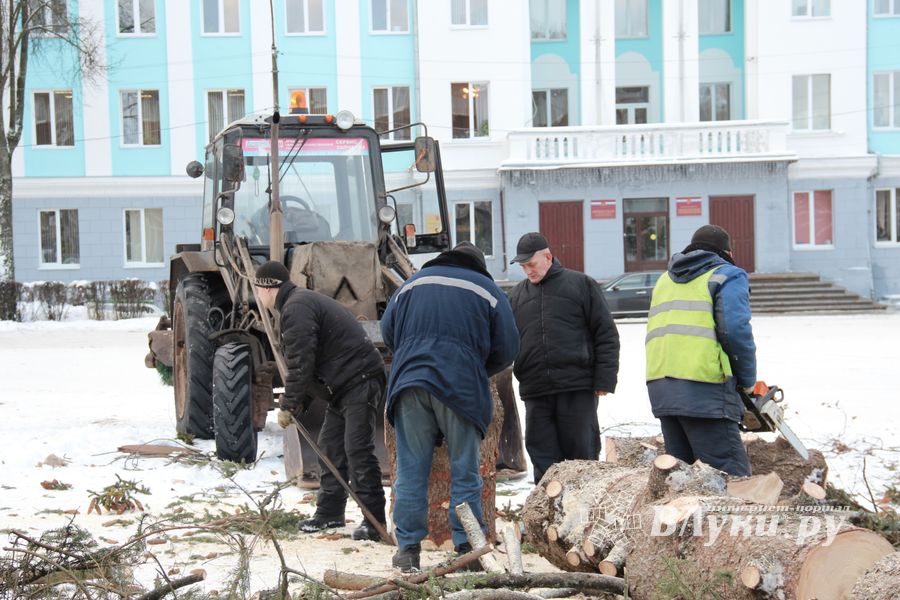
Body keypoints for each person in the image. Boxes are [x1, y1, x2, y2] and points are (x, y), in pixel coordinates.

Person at [381, 242, 519, 573]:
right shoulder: (486, 288)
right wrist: (478, 369)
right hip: (461, 387)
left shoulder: (411, 284)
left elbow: (388, 332)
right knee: (465, 469)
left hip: (410, 384)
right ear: (477, 265)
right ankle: (466, 550)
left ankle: (409, 550)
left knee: (411, 470)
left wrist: (414, 356)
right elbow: (509, 347)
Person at [254, 260, 387, 541]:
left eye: (257, 288)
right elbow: (308, 367)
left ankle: (374, 522)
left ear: (266, 288)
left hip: (359, 380)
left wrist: (289, 405)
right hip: (344, 385)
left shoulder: (295, 308)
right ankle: (330, 513)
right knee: (330, 447)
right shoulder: (298, 303)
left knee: (357, 449)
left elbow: (302, 364)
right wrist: (298, 403)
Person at [508, 232, 620, 485]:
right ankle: (547, 518)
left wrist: (604, 379)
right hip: (535, 391)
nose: (528, 271)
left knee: (581, 458)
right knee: (543, 458)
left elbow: (606, 334)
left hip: (577, 386)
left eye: (531, 264)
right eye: (523, 266)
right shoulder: (517, 296)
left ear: (547, 257)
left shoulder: (581, 284)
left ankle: (584, 517)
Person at [645, 224, 756, 476]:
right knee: (729, 479)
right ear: (727, 252)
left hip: (662, 389)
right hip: (706, 390)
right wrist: (747, 381)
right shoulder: (727, 274)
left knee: (682, 481)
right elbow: (735, 330)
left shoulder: (664, 280)